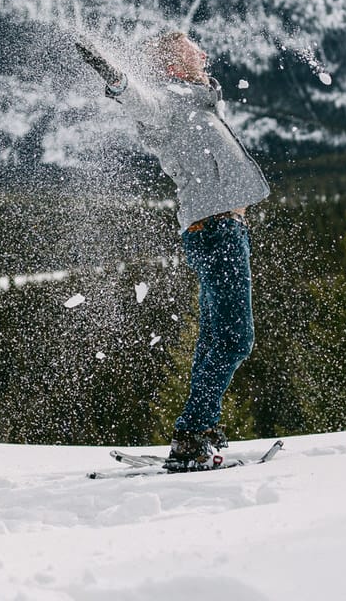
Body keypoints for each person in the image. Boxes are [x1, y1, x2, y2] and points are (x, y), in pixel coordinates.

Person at [76, 30, 271, 470]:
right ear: (172, 65)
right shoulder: (169, 102)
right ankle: (192, 432)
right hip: (215, 229)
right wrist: (117, 79)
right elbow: (141, 102)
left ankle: (198, 429)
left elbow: (201, 96)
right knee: (237, 338)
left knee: (217, 335)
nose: (203, 51)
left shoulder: (198, 99)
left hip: (221, 227)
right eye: (190, 47)